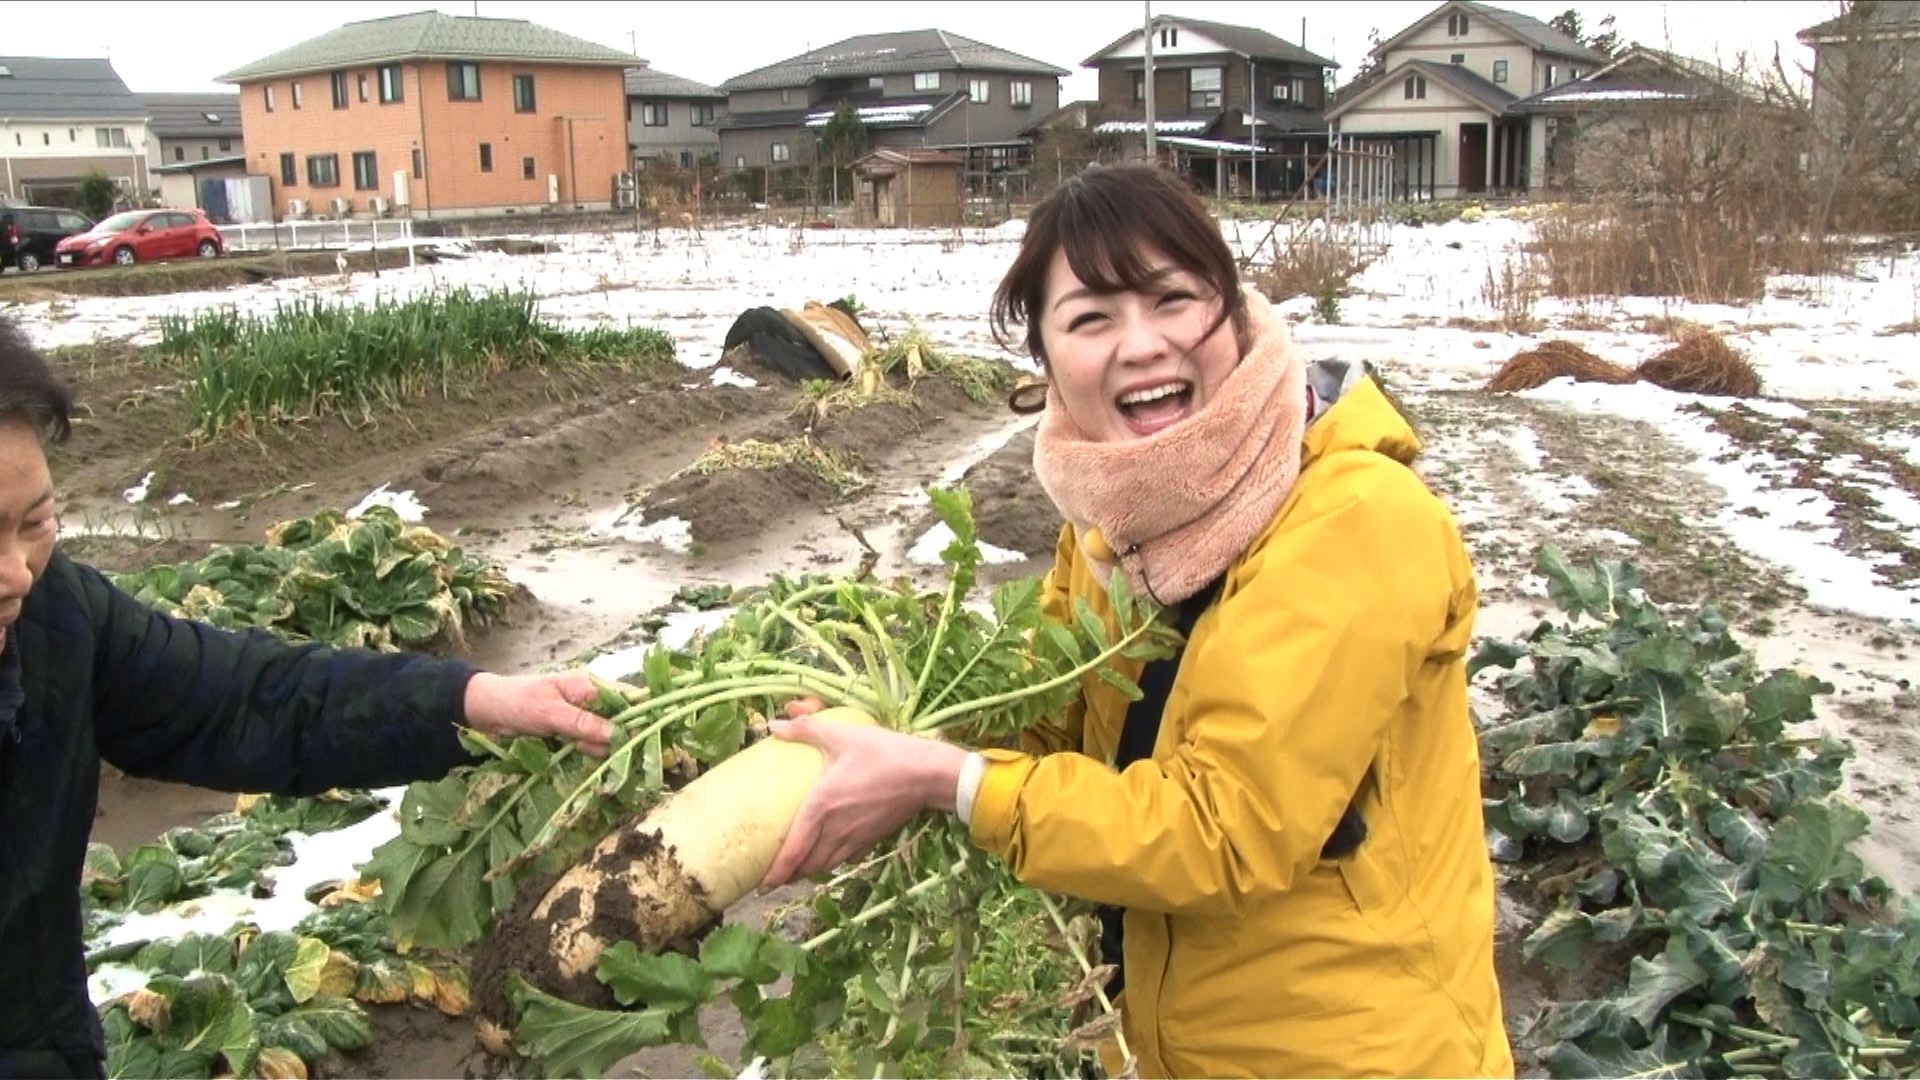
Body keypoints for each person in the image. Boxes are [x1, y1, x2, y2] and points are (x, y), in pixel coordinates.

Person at [762, 165, 1512, 1078]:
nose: (1143, 344)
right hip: (1169, 1035)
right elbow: (1045, 721)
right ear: (1044, 359)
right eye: (1090, 319)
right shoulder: (1116, 524)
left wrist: (949, 781)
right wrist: (894, 731)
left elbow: (1227, 829)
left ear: (1233, 314)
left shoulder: (1357, 519)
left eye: (1172, 300)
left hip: (1349, 1050)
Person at [0, 318, 619, 1079]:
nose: (18, 572)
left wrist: (473, 699)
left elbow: (253, 698)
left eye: (35, 524)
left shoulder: (59, 621)